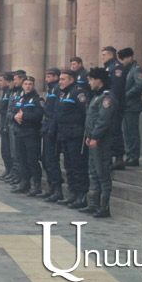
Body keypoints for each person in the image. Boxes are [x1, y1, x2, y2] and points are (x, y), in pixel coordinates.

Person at [82, 67, 117, 218]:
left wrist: (95, 136)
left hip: (102, 141)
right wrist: (89, 136)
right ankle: (93, 204)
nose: (89, 83)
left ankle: (104, 207)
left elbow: (103, 120)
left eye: (91, 80)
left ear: (98, 80)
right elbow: (92, 119)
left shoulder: (106, 97)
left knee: (102, 172)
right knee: (94, 172)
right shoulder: (97, 96)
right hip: (93, 139)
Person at [54, 69, 89, 209]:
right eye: (60, 79)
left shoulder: (78, 93)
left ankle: (81, 195)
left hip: (75, 134)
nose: (60, 82)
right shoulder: (64, 93)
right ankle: (72, 193)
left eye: (63, 79)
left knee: (77, 166)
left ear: (71, 80)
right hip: (65, 134)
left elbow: (85, 112)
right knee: (68, 166)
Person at [10, 76, 44, 195]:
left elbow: (39, 116)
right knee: (22, 159)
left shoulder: (37, 99)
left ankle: (37, 185)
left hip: (31, 133)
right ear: (22, 85)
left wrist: (23, 116)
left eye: (30, 84)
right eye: (25, 84)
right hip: (20, 133)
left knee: (32, 160)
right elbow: (13, 112)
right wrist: (15, 117)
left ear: (33, 86)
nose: (28, 86)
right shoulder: (20, 99)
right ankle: (25, 183)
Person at [118, 47, 142, 167]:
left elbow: (140, 85)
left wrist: (125, 95)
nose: (122, 62)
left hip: (132, 106)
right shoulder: (127, 69)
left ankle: (133, 156)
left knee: (132, 132)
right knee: (127, 132)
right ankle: (130, 155)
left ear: (130, 57)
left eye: (123, 59)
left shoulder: (136, 70)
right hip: (126, 106)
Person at [39, 68, 63, 201]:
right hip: (47, 126)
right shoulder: (51, 89)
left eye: (49, 76)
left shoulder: (57, 89)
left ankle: (57, 189)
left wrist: (52, 128)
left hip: (52, 128)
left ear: (56, 77)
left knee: (52, 159)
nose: (46, 79)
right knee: (46, 159)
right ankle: (51, 186)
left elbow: (56, 111)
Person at [101, 46, 127, 170]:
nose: (102, 57)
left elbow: (116, 88)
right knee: (109, 130)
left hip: (115, 104)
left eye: (104, 55)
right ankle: (110, 156)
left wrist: (110, 102)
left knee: (115, 130)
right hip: (108, 103)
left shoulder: (116, 68)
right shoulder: (108, 67)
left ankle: (119, 157)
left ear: (111, 55)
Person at [0, 73, 14, 180]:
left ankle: (11, 171)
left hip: (8, 123)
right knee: (5, 150)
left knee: (9, 150)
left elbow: (8, 109)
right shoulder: (5, 92)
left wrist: (6, 124)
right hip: (4, 123)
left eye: (0, 80)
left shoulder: (10, 92)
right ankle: (8, 169)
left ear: (7, 81)